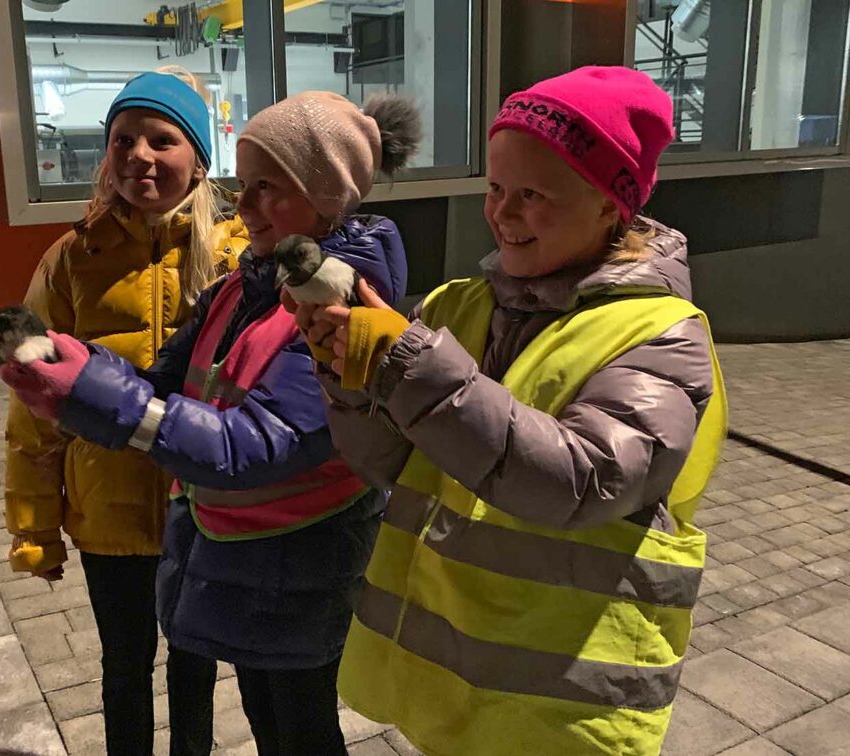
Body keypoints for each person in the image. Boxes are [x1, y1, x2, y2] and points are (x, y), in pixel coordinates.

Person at [293, 66, 728, 755]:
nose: (503, 213)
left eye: (533, 194)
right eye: (496, 189)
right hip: (452, 682)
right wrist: (351, 378)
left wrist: (410, 369)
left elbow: (582, 482)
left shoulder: (663, 337)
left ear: (612, 206)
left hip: (562, 705)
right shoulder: (456, 307)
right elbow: (395, 465)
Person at [0, 90, 421, 756]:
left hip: (298, 562)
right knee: (264, 715)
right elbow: (163, 382)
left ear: (326, 194)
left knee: (300, 727)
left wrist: (92, 394)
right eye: (244, 184)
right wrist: (68, 367)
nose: (245, 203)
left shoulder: (339, 312)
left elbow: (252, 445)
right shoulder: (244, 286)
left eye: (267, 188)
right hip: (232, 552)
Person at [3, 68, 246, 756]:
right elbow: (32, 408)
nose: (138, 153)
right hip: (106, 512)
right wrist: (35, 526)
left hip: (200, 511)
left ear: (199, 158)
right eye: (122, 139)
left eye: (161, 139)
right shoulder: (70, 259)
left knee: (196, 668)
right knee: (124, 670)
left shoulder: (237, 258)